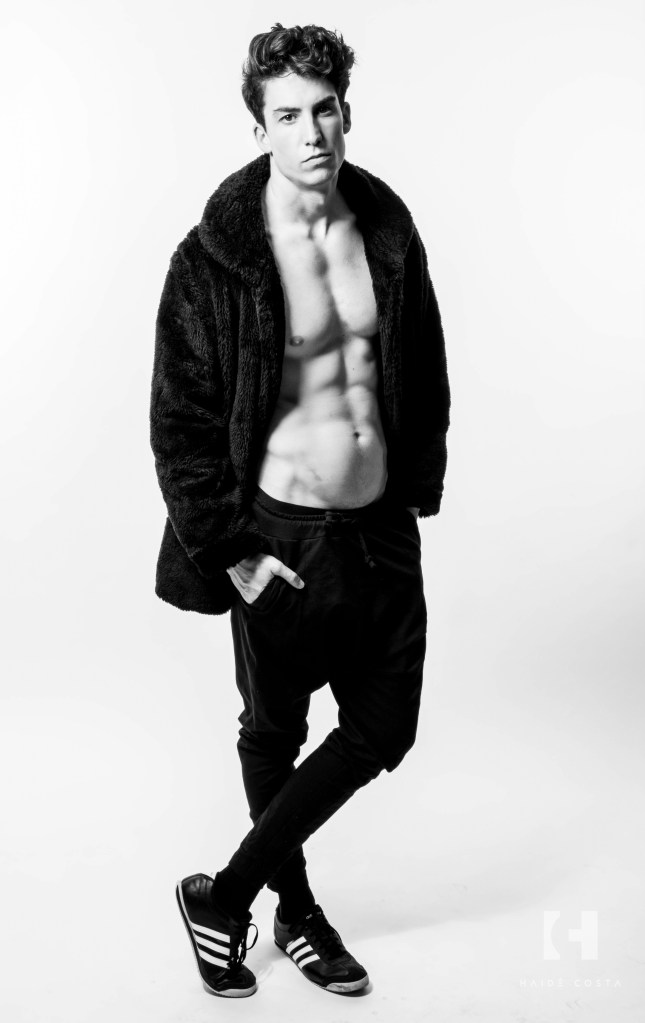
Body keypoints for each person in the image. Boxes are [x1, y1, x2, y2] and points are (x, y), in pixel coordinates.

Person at [150, 22, 450, 1000]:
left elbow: (421, 367)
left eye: (324, 110)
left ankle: (224, 894)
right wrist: (230, 552)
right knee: (274, 732)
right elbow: (181, 422)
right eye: (287, 116)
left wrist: (414, 487)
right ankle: (299, 911)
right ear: (259, 128)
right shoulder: (218, 259)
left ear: (346, 112)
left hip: (378, 528)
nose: (311, 132)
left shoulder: (386, 230)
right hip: (279, 534)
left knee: (382, 726)